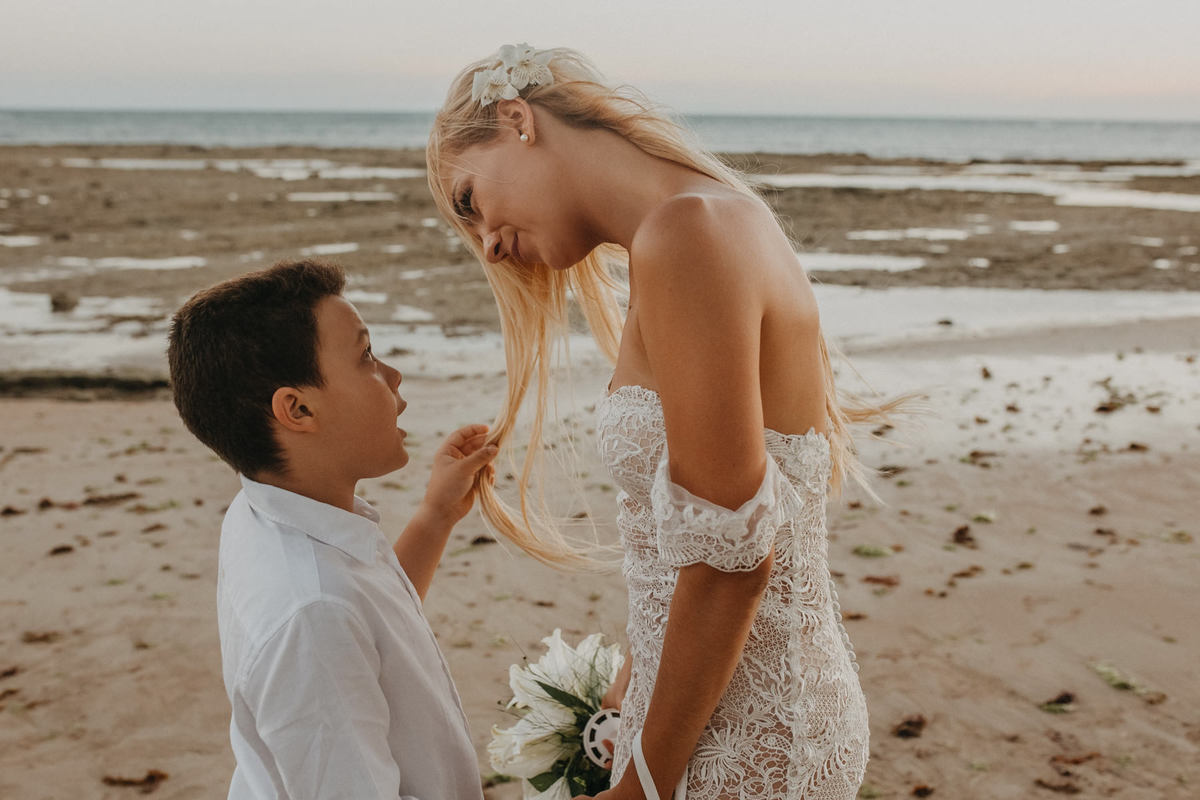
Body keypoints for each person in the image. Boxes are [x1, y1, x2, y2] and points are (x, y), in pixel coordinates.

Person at [427, 45, 905, 799]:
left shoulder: (690, 234)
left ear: (517, 121)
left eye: (468, 200)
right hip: (712, 712)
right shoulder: (698, 226)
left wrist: (640, 788)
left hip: (744, 733)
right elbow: (692, 543)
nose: (485, 242)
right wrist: (630, 679)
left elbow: (731, 565)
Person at [167, 259, 497, 800]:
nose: (393, 375)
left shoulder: (264, 511)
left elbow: (370, 624)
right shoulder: (311, 614)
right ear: (297, 408)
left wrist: (436, 516)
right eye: (365, 356)